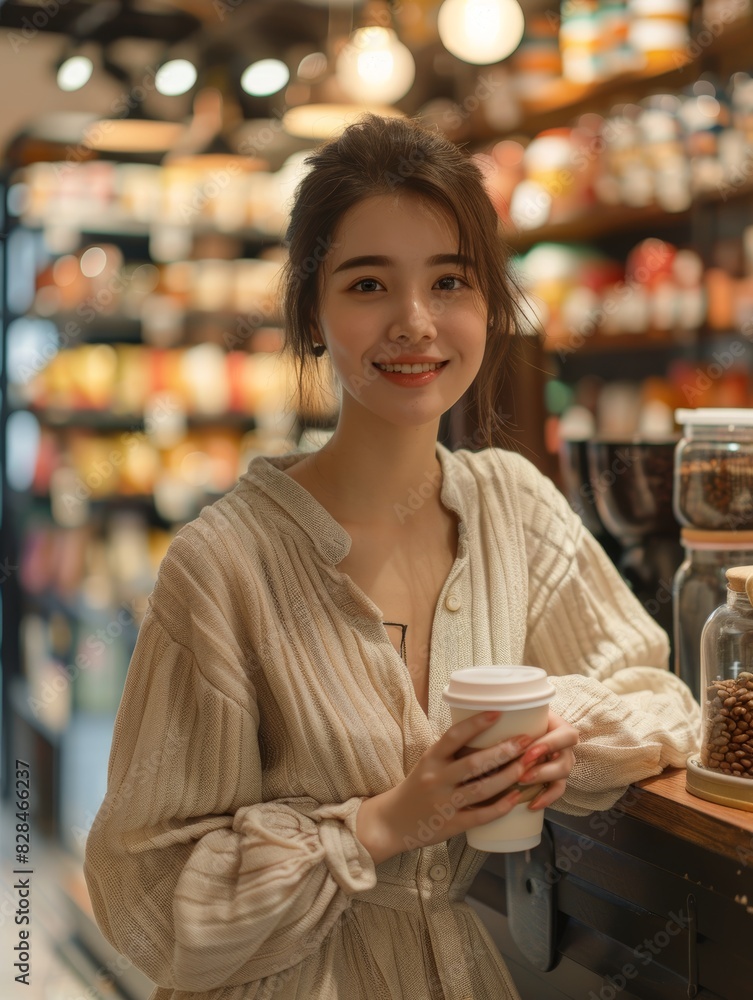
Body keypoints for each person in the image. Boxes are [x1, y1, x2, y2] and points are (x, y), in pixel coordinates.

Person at [83, 113, 700, 1000]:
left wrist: (562, 737)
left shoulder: (508, 504)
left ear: (488, 303)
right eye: (368, 284)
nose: (415, 324)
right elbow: (141, 891)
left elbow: (661, 701)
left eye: (448, 280)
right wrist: (378, 826)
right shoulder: (224, 565)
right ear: (310, 314)